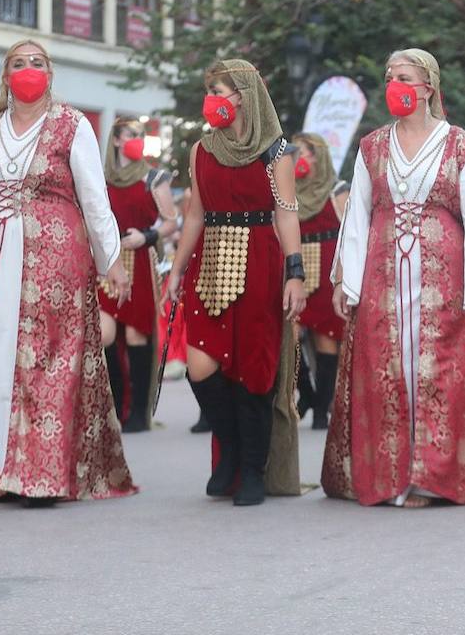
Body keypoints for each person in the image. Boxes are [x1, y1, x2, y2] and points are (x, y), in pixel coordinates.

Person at [323, 48, 465, 507]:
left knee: (437, 371)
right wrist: (348, 281)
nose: (394, 84)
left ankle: (432, 477)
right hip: (383, 278)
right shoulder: (372, 146)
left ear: (428, 86)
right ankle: (389, 474)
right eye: (389, 76)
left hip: (443, 281)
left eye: (404, 76)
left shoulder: (457, 144)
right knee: (389, 369)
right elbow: (357, 218)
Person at [0, 39, 136, 506]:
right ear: (5, 76)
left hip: (56, 263)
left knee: (49, 361)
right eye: (19, 63)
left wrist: (112, 261)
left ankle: (41, 475)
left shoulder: (71, 125)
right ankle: (0, 469)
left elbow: (94, 198)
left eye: (38, 63)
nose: (29, 69)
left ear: (51, 74)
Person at [166, 59, 306, 507]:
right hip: (211, 262)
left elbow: (286, 211)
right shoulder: (201, 150)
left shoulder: (275, 152)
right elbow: (194, 215)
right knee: (200, 366)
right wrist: (176, 269)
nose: (211, 101)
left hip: (261, 260)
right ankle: (229, 450)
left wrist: (295, 272)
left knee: (254, 370)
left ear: (242, 96)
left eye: (219, 91)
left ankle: (252, 470)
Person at [98, 116, 178, 433]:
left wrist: (146, 237)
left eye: (140, 135)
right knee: (104, 334)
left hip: (140, 260)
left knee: (135, 333)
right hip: (106, 261)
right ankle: (117, 404)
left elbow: (171, 223)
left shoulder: (153, 178)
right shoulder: (100, 178)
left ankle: (138, 413)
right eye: (131, 134)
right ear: (116, 140)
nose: (137, 139)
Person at [291, 132, 347, 431]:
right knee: (291, 335)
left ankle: (322, 409)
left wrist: (344, 277)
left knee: (327, 336)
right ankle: (308, 395)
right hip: (297, 267)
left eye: (304, 152)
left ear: (318, 156)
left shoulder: (337, 190)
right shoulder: (286, 190)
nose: (297, 158)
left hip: (327, 267)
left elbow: (351, 235)